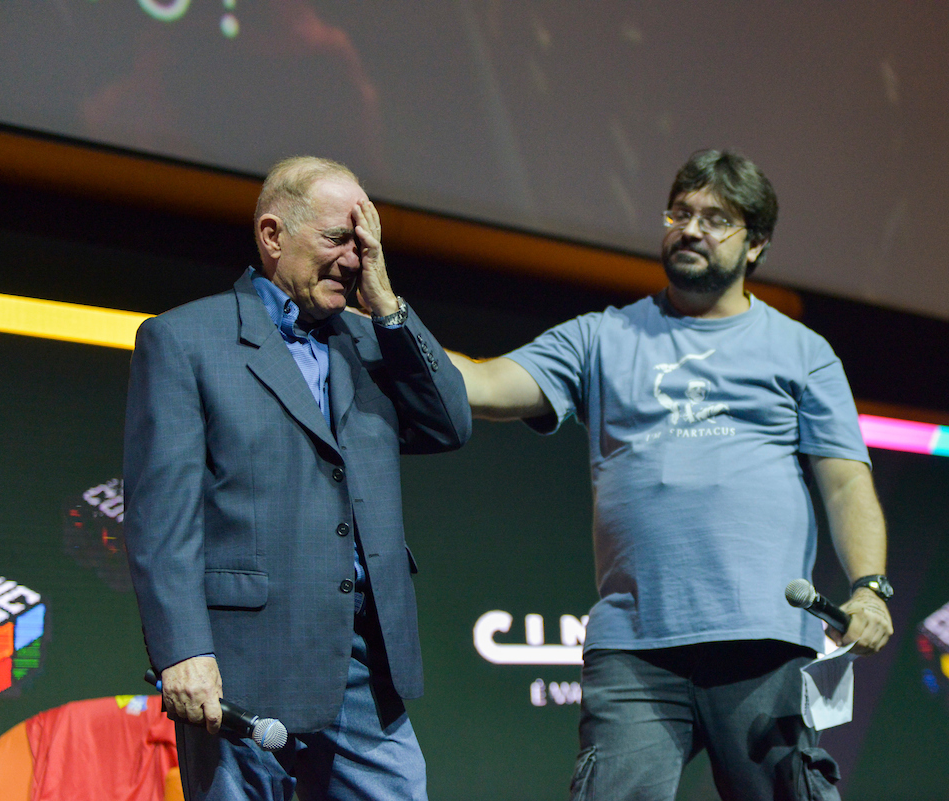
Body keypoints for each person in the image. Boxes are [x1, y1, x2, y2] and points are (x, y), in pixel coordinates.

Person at [447, 149, 893, 801]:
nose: (690, 227)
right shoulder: (602, 336)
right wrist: (386, 319)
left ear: (757, 246)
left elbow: (847, 482)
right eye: (680, 211)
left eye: (716, 218)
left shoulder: (802, 351)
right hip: (635, 647)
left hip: (763, 640)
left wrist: (870, 587)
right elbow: (484, 384)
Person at [124, 156, 471, 801]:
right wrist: (181, 651)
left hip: (364, 663)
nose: (354, 260)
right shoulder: (184, 340)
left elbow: (449, 424)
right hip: (240, 664)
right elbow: (160, 519)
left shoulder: (372, 344)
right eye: (339, 240)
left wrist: (388, 304)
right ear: (273, 235)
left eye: (366, 243)